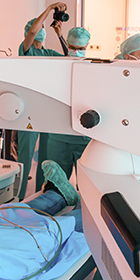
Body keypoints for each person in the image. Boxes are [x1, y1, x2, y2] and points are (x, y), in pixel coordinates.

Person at [15, 3, 67, 200]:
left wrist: (60, 34)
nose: (42, 31)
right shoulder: (26, 50)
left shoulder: (48, 53)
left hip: (46, 108)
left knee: (45, 156)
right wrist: (50, 8)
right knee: (25, 155)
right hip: (28, 108)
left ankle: (39, 194)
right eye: (41, 27)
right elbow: (32, 32)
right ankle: (19, 196)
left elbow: (69, 58)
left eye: (44, 28)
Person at [39, 27, 93, 185]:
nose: (76, 52)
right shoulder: (56, 67)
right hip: (58, 136)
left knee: (86, 186)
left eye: (80, 48)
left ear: (87, 46)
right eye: (73, 48)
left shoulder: (94, 69)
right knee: (55, 184)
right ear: (67, 45)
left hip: (84, 138)